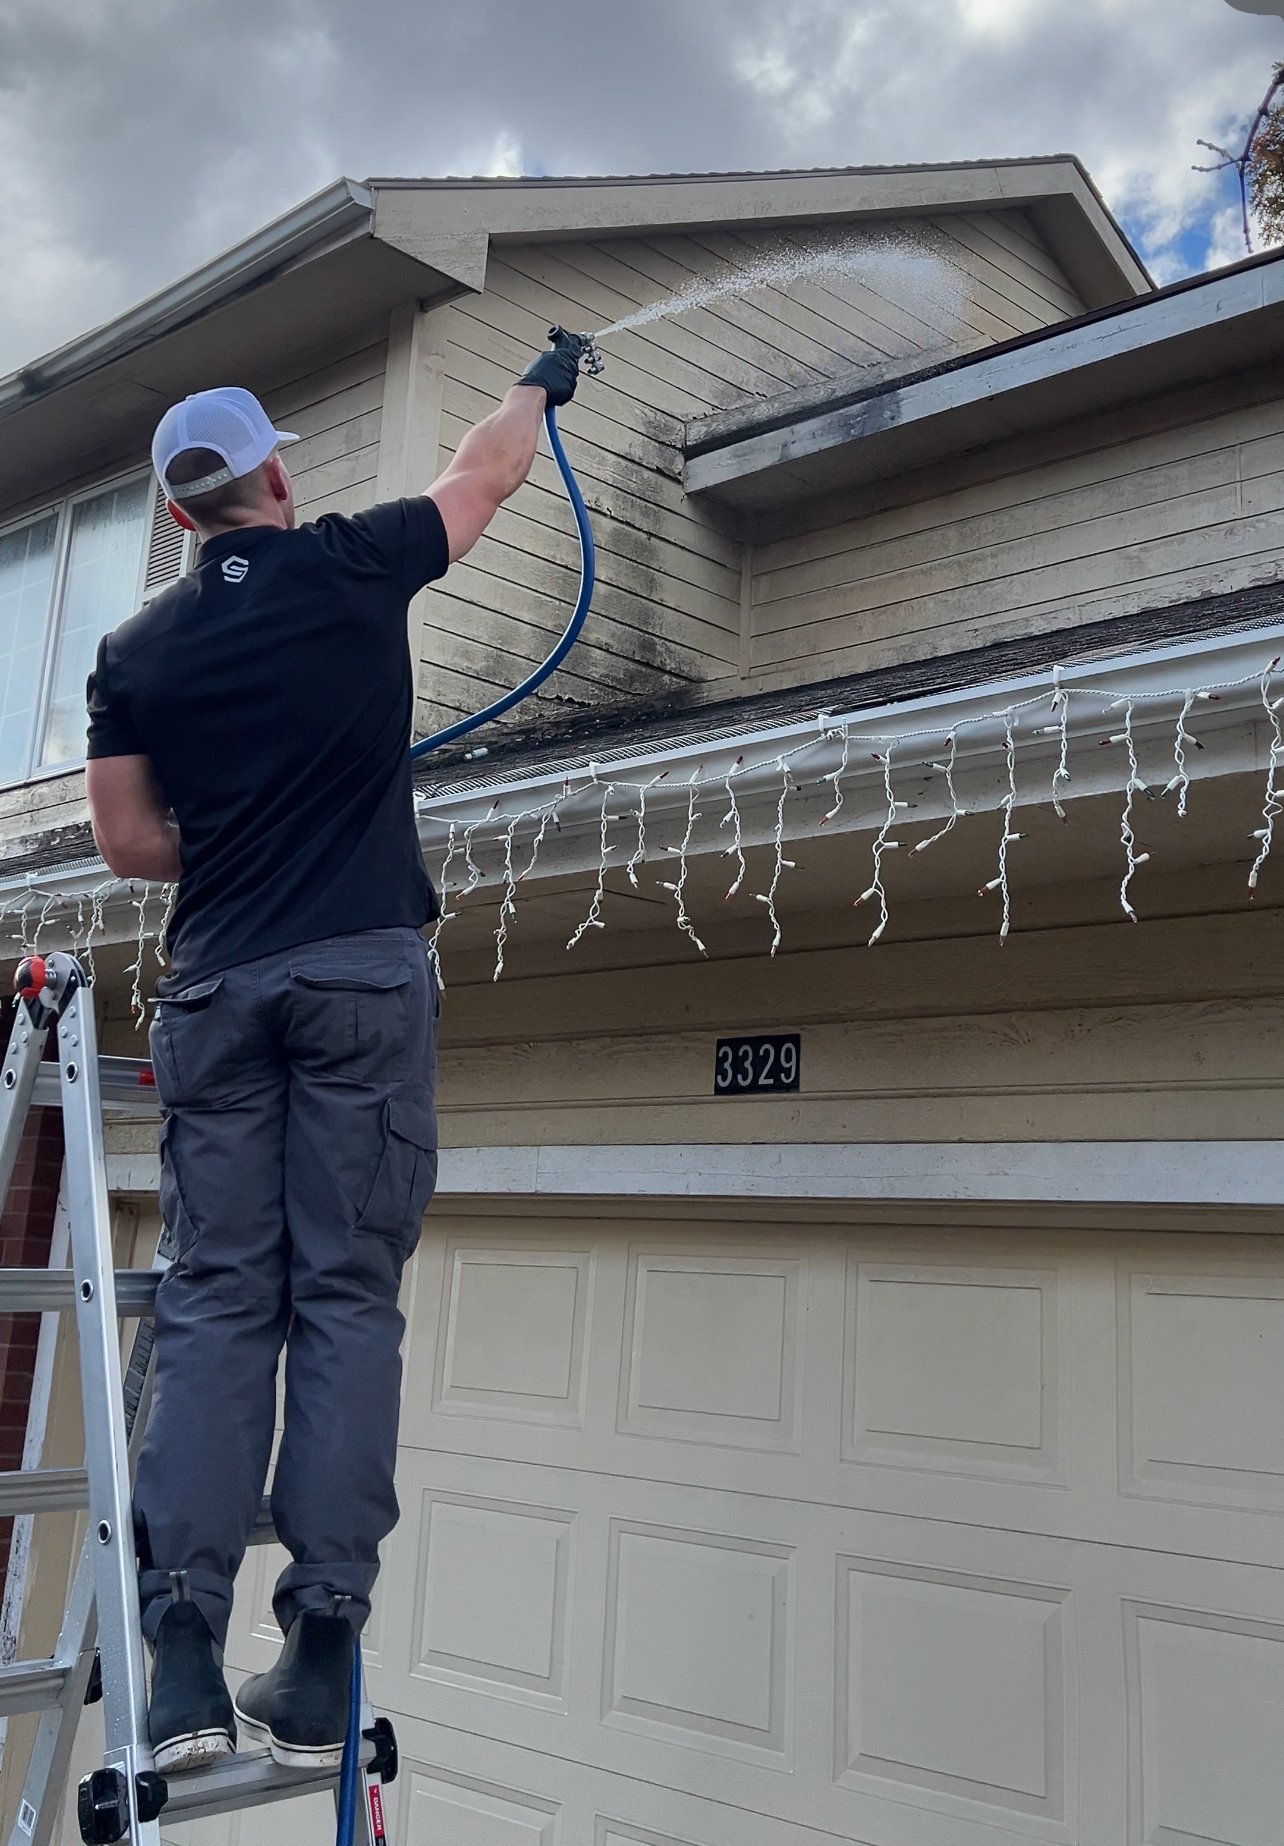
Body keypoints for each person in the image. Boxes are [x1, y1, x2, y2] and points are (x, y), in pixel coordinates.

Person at [83, 336, 582, 1776]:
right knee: (346, 1296)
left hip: (219, 985)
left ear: (181, 514)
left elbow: (128, 845)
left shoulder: (135, 655)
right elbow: (485, 473)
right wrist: (538, 388)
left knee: (220, 1297)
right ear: (275, 480)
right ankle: (313, 1653)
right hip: (361, 974)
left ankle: (178, 1648)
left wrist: (229, 841)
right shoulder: (355, 561)